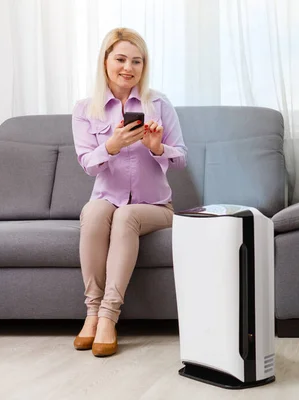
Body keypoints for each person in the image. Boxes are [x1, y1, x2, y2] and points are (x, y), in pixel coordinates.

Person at [71, 27, 187, 357]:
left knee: (126, 216)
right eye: (120, 59)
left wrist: (156, 147)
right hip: (106, 198)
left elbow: (181, 158)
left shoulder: (159, 103)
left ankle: (108, 316)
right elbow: (88, 165)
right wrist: (111, 145)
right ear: (105, 61)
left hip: (156, 207)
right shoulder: (85, 110)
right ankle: (91, 313)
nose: (128, 67)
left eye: (137, 61)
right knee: (93, 212)